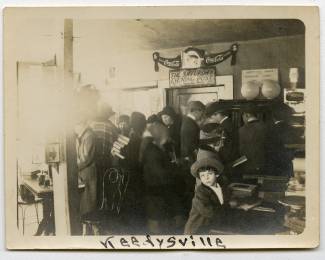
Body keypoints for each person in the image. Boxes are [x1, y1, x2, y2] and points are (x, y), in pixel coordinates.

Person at [142, 122, 183, 234]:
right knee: (156, 223)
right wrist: (175, 171)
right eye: (166, 135)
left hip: (158, 190)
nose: (168, 137)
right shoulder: (153, 151)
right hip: (156, 191)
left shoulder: (155, 148)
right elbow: (160, 173)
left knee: (159, 220)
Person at [184, 149, 229, 235]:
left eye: (209, 174)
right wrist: (227, 208)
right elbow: (209, 212)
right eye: (202, 176)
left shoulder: (220, 187)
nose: (206, 178)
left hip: (209, 226)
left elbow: (224, 201)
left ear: (217, 174)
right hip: (196, 230)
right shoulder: (200, 192)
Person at [89, 101, 119, 209]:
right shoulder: (112, 127)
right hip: (106, 162)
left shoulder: (90, 125)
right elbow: (116, 147)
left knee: (94, 191)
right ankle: (106, 211)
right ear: (107, 114)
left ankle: (96, 211)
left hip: (91, 163)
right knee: (106, 188)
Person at [180, 101, 206, 216]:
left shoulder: (188, 121)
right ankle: (190, 214)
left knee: (189, 188)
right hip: (191, 161)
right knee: (190, 189)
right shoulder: (190, 123)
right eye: (201, 112)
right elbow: (192, 145)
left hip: (188, 160)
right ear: (195, 111)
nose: (202, 115)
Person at [75, 112, 97, 224]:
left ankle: (88, 227)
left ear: (81, 124)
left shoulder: (89, 136)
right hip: (83, 173)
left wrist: (74, 168)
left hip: (87, 173)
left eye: (76, 125)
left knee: (87, 204)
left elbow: (86, 158)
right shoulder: (82, 136)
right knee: (84, 203)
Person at [264, 102, 295, 178]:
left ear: (273, 116)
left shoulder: (269, 130)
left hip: (273, 167)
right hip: (287, 166)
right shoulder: (292, 129)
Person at [238, 103, 267, 178]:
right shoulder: (265, 127)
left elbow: (241, 150)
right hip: (265, 165)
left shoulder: (242, 130)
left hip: (248, 167)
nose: (243, 119)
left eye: (242, 116)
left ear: (246, 115)